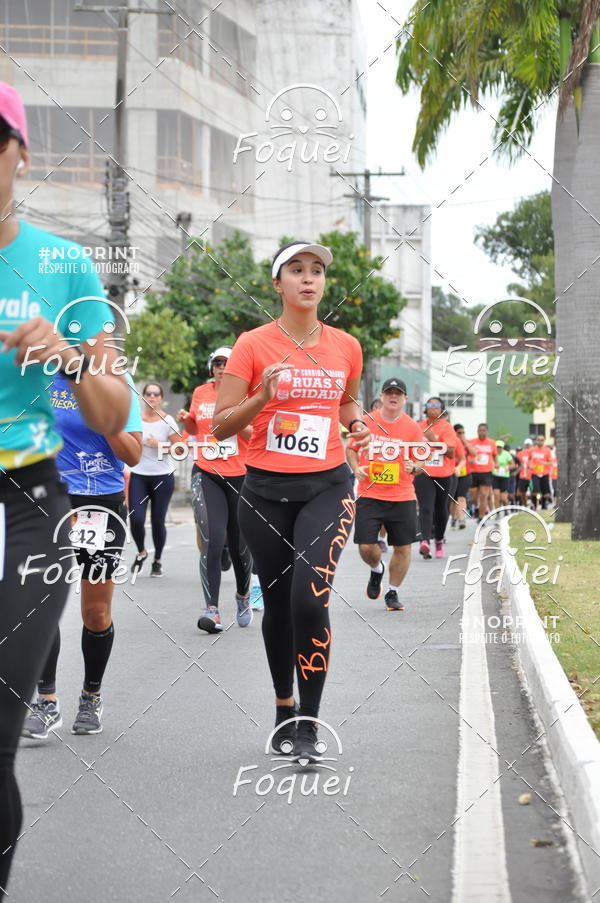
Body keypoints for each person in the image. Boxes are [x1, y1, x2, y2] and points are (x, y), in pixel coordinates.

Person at [0, 83, 130, 897]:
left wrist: (72, 357)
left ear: (19, 153)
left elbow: (118, 415)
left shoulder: (62, 265)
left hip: (27, 503)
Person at [212, 240, 369, 762]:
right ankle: (284, 707)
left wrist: (358, 426)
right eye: (297, 270)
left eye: (317, 270)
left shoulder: (345, 345)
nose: (309, 278)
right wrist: (263, 397)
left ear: (325, 283)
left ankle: (309, 722)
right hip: (261, 493)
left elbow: (345, 400)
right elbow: (220, 427)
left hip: (327, 486)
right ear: (277, 284)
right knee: (277, 606)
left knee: (309, 600)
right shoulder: (253, 345)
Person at [22, 374, 142, 738]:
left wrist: (105, 421)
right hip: (44, 497)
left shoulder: (114, 380)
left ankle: (91, 695)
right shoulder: (34, 375)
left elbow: (133, 453)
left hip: (98, 501)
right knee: (39, 603)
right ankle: (46, 701)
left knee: (95, 611)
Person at [178, 346, 253, 633]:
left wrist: (234, 418)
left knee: (240, 545)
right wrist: (187, 421)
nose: (223, 367)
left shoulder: (248, 393)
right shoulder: (200, 393)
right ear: (212, 367)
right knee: (211, 537)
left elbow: (255, 433)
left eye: (229, 362)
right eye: (218, 363)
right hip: (207, 471)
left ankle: (243, 595)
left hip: (241, 475)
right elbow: (197, 430)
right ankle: (212, 609)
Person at [347, 378, 425, 610]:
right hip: (369, 494)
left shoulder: (412, 427)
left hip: (402, 496)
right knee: (365, 546)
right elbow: (351, 449)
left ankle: (393, 592)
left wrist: (416, 467)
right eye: (389, 393)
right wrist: (355, 467)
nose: (393, 397)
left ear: (405, 399)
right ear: (381, 397)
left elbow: (421, 457)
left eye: (398, 394)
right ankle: (376, 569)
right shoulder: (367, 421)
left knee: (403, 547)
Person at [129, 382, 179, 577]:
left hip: (162, 476)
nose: (152, 397)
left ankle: (157, 560)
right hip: (139, 474)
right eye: (148, 394)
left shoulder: (168, 421)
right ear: (143, 397)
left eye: (156, 394)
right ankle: (141, 551)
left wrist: (159, 445)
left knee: (158, 521)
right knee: (136, 518)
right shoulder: (135, 420)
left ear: (161, 398)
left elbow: (180, 449)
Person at [414, 396, 456, 559]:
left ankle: (438, 540)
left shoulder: (447, 428)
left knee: (441, 510)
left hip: (444, 474)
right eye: (429, 405)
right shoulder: (417, 426)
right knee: (425, 507)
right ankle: (424, 541)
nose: (433, 407)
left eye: (437, 405)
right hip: (423, 472)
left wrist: (433, 440)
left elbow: (451, 452)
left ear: (442, 409)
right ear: (425, 408)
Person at [466, 423, 498, 521]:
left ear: (487, 432)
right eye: (480, 430)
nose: (482, 432)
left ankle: (481, 516)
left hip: (486, 472)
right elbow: (465, 454)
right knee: (474, 495)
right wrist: (469, 460)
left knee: (484, 495)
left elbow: (495, 456)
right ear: (477, 431)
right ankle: (476, 506)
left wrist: (496, 464)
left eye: (484, 430)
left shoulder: (492, 443)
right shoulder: (471, 442)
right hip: (474, 471)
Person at [450, 424, 474, 529]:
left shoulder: (466, 444)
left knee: (461, 497)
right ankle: (454, 518)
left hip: (465, 474)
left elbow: (474, 453)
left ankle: (462, 519)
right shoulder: (450, 443)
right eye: (459, 433)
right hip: (452, 474)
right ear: (454, 433)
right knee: (453, 500)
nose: (462, 435)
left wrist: (465, 442)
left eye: (463, 433)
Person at [528, 435, 553, 509]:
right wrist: (530, 465)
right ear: (536, 440)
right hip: (535, 473)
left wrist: (543, 463)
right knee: (535, 490)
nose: (540, 441)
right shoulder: (531, 450)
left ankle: (544, 505)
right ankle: (534, 505)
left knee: (545, 492)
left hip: (544, 473)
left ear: (544, 441)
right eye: (538, 440)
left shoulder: (547, 450)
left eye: (542, 440)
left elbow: (551, 462)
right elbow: (528, 460)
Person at [491, 440, 515, 513]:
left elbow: (513, 465)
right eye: (497, 447)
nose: (498, 448)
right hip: (495, 476)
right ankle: (497, 512)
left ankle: (506, 509)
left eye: (500, 447)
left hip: (504, 477)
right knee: (496, 496)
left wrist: (507, 467)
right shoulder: (492, 454)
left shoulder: (507, 454)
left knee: (503, 498)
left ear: (502, 448)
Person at [516, 438, 533, 507]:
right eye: (526, 445)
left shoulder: (533, 453)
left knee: (534, 492)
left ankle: (533, 503)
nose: (527, 446)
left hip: (531, 475)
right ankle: (525, 505)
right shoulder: (520, 454)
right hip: (522, 475)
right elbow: (517, 464)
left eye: (529, 445)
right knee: (522, 492)